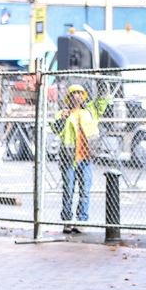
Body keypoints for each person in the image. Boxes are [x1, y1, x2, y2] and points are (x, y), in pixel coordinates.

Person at [51, 84, 109, 234]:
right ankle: (67, 221)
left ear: (83, 96)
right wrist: (62, 119)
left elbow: (101, 103)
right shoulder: (63, 113)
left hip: (86, 157)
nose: (77, 96)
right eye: (73, 93)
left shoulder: (90, 110)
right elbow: (55, 129)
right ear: (69, 97)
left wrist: (103, 89)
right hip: (69, 158)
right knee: (68, 191)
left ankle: (82, 220)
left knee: (85, 191)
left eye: (79, 93)